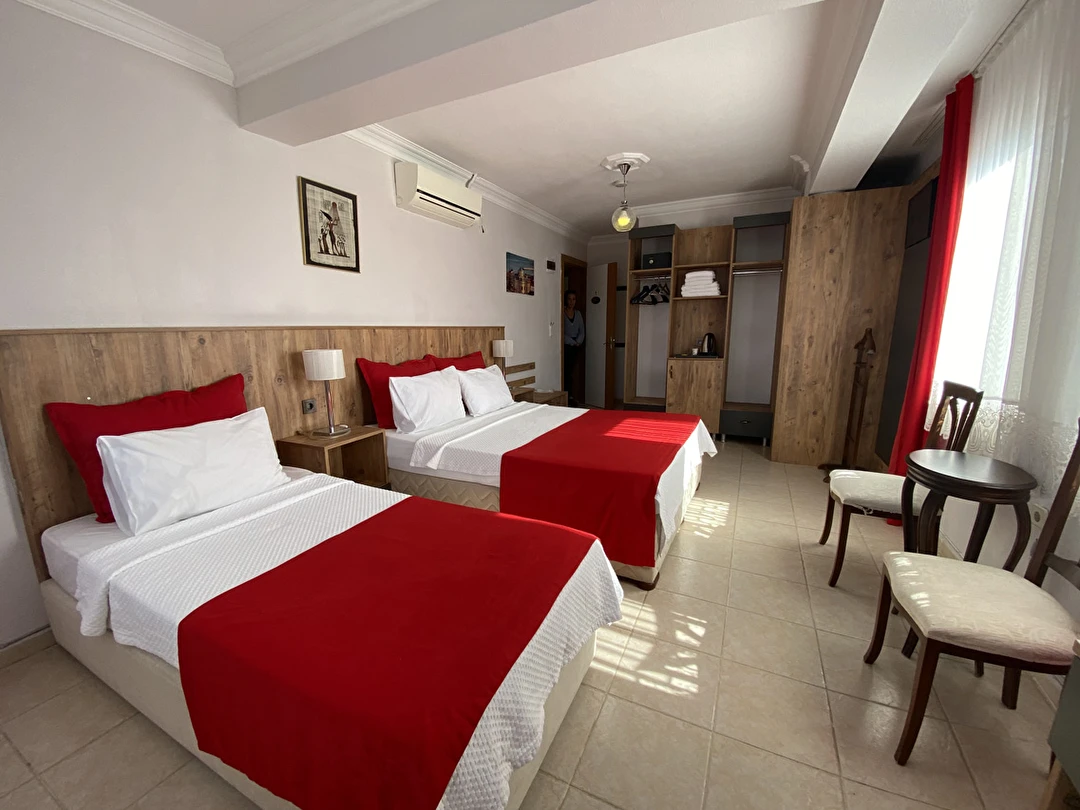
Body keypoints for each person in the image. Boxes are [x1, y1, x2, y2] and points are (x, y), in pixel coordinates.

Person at [563, 289, 584, 405]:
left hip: (576, 346)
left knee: (572, 372)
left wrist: (578, 342)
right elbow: (561, 332)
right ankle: (567, 396)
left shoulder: (578, 314)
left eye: (574, 299)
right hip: (566, 346)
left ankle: (571, 397)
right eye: (569, 299)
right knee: (566, 372)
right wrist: (572, 342)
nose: (571, 302)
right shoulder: (562, 313)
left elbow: (582, 330)